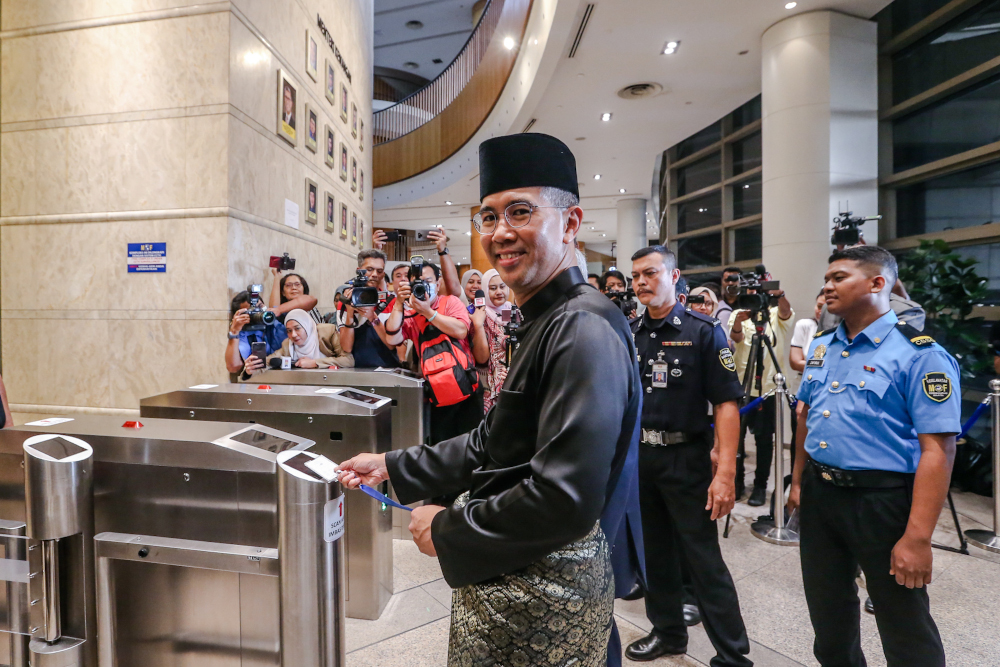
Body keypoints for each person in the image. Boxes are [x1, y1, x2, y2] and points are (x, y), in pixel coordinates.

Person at [338, 133, 642, 667]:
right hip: (518, 580)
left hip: (544, 592)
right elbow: (493, 440)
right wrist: (389, 463)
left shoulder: (582, 327)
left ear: (570, 223)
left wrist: (448, 529)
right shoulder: (548, 319)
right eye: (488, 216)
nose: (501, 233)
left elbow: (563, 497)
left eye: (520, 212)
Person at [788, 245, 960, 667]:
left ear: (877, 283)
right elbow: (806, 417)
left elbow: (937, 450)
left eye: (839, 278)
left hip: (881, 502)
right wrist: (796, 482)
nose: (827, 287)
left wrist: (918, 537)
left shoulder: (920, 354)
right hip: (821, 494)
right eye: (827, 278)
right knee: (829, 619)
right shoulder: (823, 346)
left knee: (904, 624)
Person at [624, 246, 751, 666]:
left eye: (650, 273)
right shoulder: (631, 332)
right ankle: (668, 633)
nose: (642, 282)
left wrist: (726, 472)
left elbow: (728, 404)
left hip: (686, 459)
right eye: (636, 275)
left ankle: (733, 656)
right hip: (643, 459)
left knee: (702, 560)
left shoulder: (702, 331)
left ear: (673, 275)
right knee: (655, 554)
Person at [383, 260, 483, 445]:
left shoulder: (450, 302)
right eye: (416, 283)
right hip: (437, 392)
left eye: (427, 281)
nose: (422, 286)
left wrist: (429, 312)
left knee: (472, 445)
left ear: (437, 284)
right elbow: (392, 339)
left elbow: (461, 330)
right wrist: (398, 304)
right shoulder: (411, 314)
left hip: (467, 387)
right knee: (441, 447)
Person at [729, 282, 794, 505]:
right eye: (750, 293)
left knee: (764, 442)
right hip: (741, 387)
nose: (754, 297)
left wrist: (780, 294)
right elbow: (736, 339)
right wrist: (740, 320)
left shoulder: (776, 314)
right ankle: (735, 483)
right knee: (735, 441)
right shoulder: (739, 313)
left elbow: (786, 312)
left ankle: (760, 486)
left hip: (767, 390)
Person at [225, 289, 317, 376]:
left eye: (260, 307)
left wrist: (279, 310)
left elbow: (312, 300)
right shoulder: (244, 333)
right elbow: (233, 367)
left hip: (298, 369)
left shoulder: (275, 318)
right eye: (251, 311)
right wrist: (234, 331)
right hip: (264, 377)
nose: (258, 313)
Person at [338, 249, 402, 369]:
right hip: (357, 370)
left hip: (388, 368)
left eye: (379, 271)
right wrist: (350, 314)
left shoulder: (392, 302)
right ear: (359, 271)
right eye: (369, 269)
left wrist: (373, 318)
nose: (374, 274)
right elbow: (346, 347)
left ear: (383, 274)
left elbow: (392, 345)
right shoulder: (347, 300)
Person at [469, 269, 511, 411]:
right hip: (487, 384)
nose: (499, 292)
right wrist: (478, 325)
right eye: (493, 288)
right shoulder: (480, 314)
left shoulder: (513, 311)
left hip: (511, 380)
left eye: (502, 286)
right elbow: (481, 358)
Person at [258, 309, 353, 369]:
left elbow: (348, 360)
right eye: (289, 331)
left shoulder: (328, 333)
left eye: (297, 328)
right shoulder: (288, 344)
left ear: (307, 326)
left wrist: (314, 363)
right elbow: (268, 360)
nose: (293, 335)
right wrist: (254, 363)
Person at [717, 266, 741, 337]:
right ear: (722, 282)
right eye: (727, 280)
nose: (730, 283)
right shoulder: (718, 302)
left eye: (734, 280)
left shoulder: (746, 301)